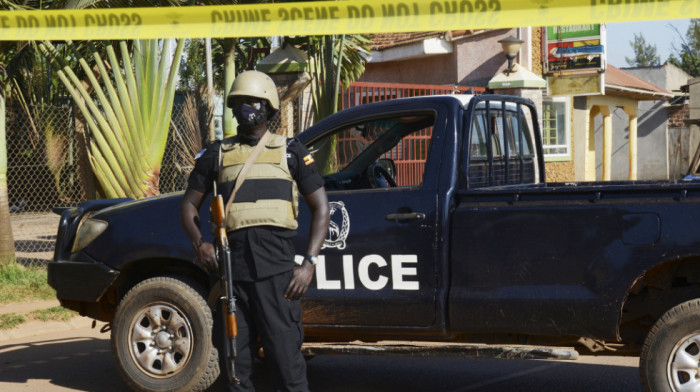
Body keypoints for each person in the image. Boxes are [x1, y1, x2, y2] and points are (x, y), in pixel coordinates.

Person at [180, 70, 330, 392]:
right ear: (232, 109)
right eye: (241, 102)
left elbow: (322, 208)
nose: (248, 107)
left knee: (287, 367)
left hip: (278, 277)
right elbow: (188, 206)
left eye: (255, 101)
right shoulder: (216, 155)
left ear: (269, 107)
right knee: (237, 369)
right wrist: (200, 245)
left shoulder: (291, 152)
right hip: (232, 276)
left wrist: (308, 265)